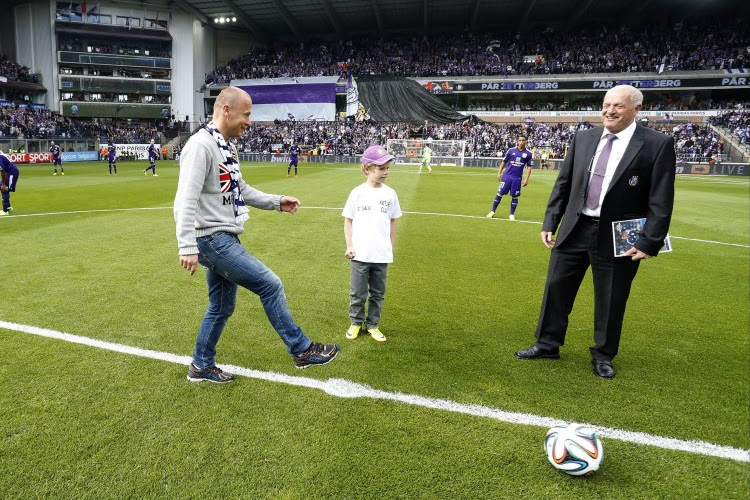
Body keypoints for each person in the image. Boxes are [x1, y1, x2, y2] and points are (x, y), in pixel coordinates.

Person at [174, 86, 339, 383]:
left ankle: (200, 365)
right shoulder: (201, 147)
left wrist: (276, 201)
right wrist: (186, 245)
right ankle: (301, 349)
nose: (250, 121)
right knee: (270, 285)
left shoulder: (227, 147)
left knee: (222, 306)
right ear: (226, 110)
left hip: (223, 236)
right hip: (211, 239)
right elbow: (185, 199)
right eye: (247, 114)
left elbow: (240, 190)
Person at [515, 85, 676, 379]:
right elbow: (564, 184)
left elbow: (661, 198)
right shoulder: (583, 138)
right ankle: (547, 343)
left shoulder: (656, 144)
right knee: (556, 287)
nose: (609, 111)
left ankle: (603, 354)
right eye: (606, 105)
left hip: (619, 235)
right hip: (575, 228)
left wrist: (650, 241)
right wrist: (551, 220)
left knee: (612, 297)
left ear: (636, 109)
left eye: (618, 106)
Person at [342, 145, 402, 342]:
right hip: (360, 253)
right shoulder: (357, 193)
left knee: (378, 293)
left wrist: (391, 247)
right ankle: (356, 322)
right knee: (358, 293)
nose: (386, 172)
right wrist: (349, 246)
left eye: (387, 167)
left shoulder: (390, 194)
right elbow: (348, 220)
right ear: (367, 169)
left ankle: (373, 324)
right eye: (381, 168)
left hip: (381, 254)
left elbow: (393, 221)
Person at [486, 135, 533, 221]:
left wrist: (526, 179)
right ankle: (492, 211)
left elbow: (529, 167)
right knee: (500, 193)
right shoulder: (511, 151)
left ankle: (511, 214)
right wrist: (499, 172)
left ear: (525, 141)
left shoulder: (529, 153)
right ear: (517, 141)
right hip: (507, 176)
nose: (521, 142)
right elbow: (504, 162)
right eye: (520, 140)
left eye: (523, 140)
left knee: (515, 196)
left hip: (517, 178)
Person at [0, 151, 19, 216]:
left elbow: (2, 171)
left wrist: (4, 183)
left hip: (11, 173)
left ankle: (5, 210)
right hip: (9, 172)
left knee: (4, 188)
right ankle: (8, 207)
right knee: (2, 186)